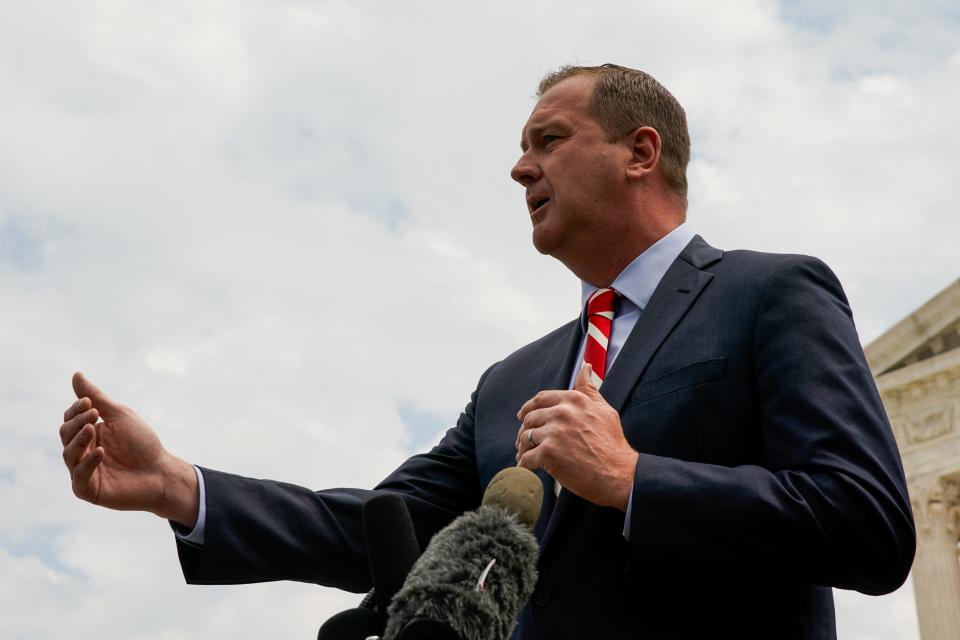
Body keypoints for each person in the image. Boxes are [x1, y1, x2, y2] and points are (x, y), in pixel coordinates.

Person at [58, 64, 915, 639]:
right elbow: (385, 528)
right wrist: (177, 487)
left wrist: (631, 480)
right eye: (521, 148)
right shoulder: (512, 380)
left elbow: (867, 523)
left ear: (639, 153)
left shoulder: (771, 294)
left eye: (548, 140)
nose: (518, 169)